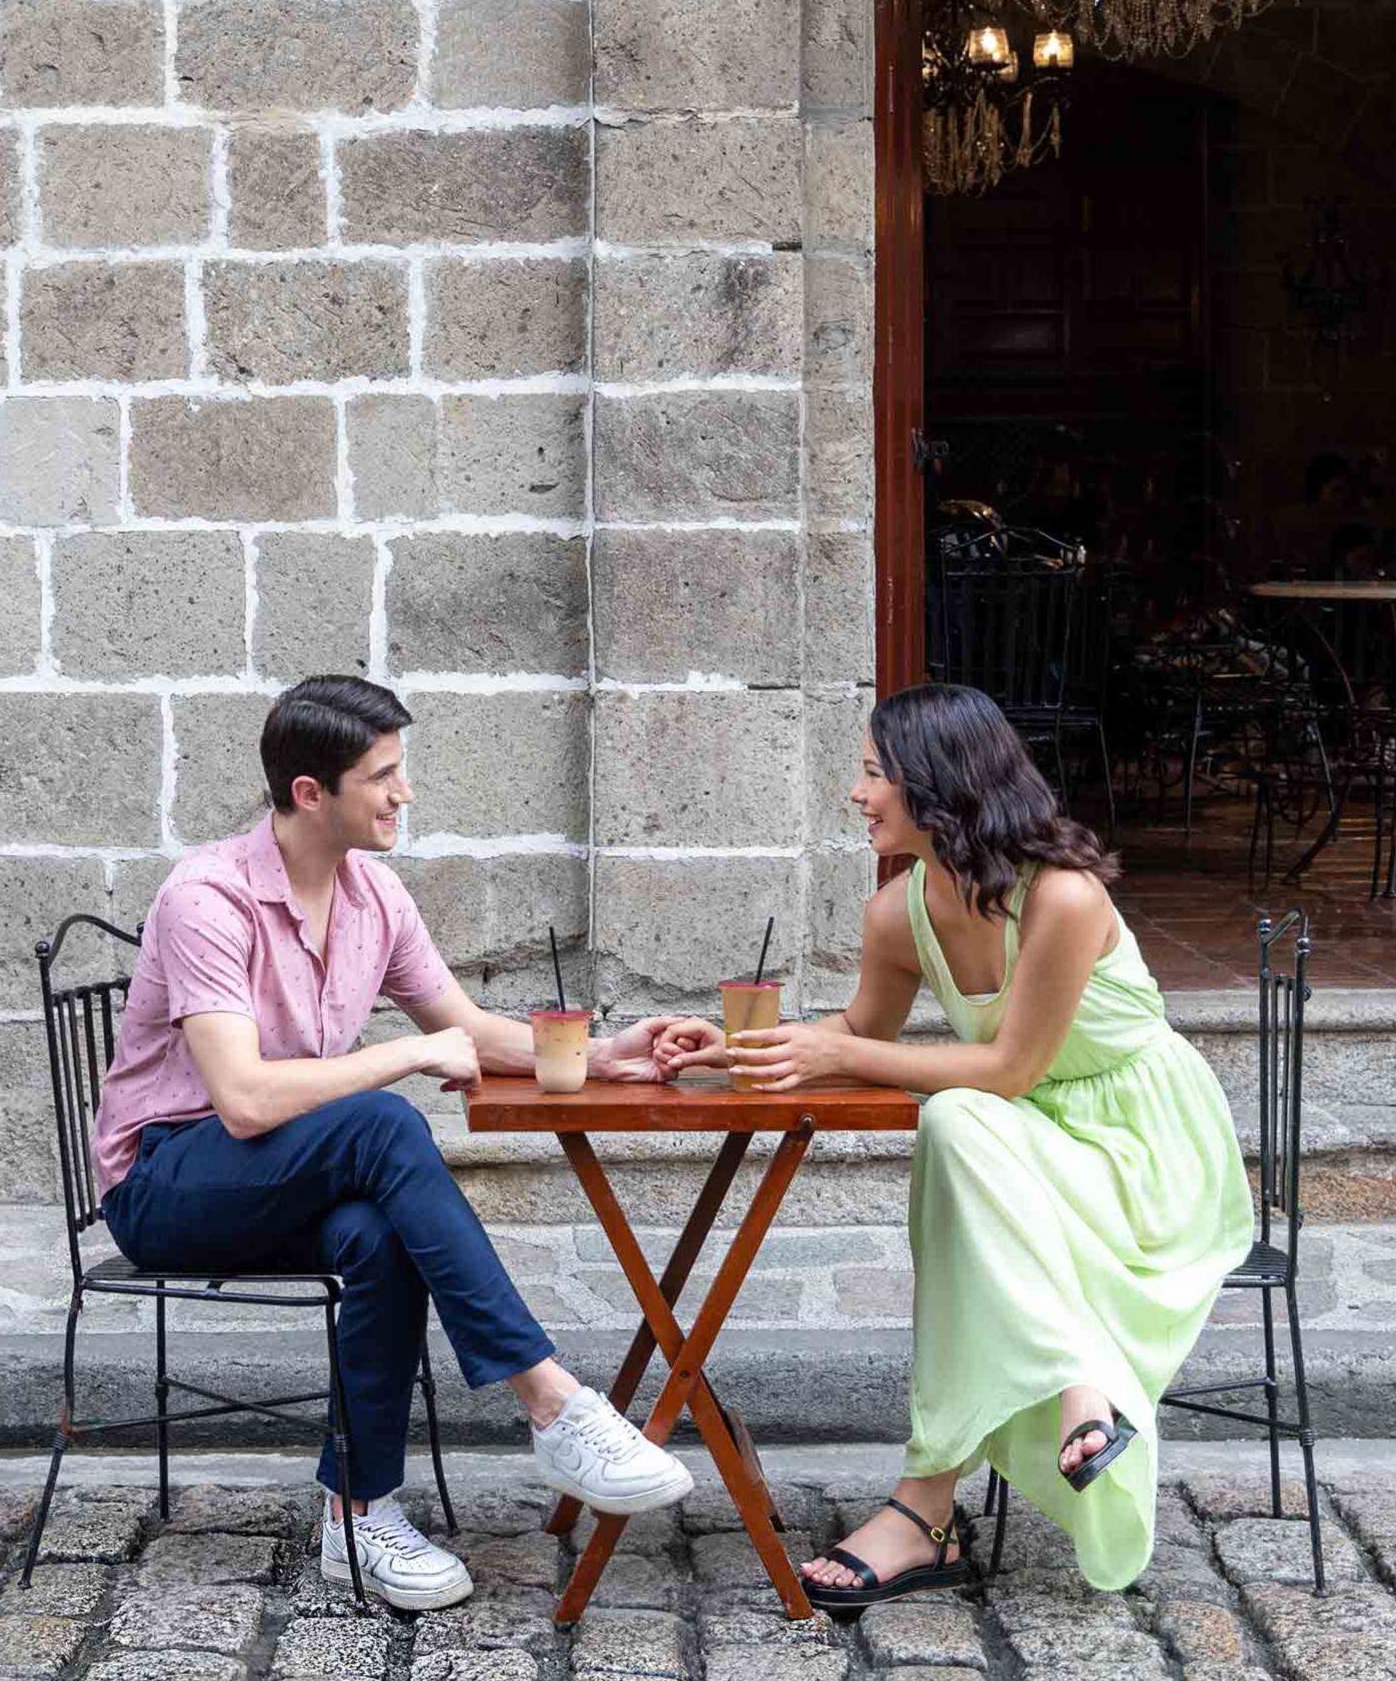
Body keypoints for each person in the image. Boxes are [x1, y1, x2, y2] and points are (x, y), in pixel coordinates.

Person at [92, 673, 692, 1613]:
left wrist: (610, 1058)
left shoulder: (374, 895)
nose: (402, 793)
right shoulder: (208, 897)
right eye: (382, 775)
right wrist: (404, 1055)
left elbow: (467, 1024)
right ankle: (551, 1401)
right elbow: (244, 1102)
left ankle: (358, 1514)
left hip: (284, 1179)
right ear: (308, 793)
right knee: (383, 1120)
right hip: (170, 1181)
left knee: (379, 1231)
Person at [654, 681, 1253, 1606]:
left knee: (962, 1119)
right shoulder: (898, 913)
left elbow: (1010, 1068)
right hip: (1018, 1148)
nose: (857, 795)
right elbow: (857, 1031)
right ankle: (1063, 1392)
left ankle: (925, 1510)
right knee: (961, 1131)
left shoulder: (1062, 895)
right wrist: (721, 1050)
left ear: (938, 784)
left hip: (1139, 1150)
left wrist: (842, 1047)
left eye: (871, 774)